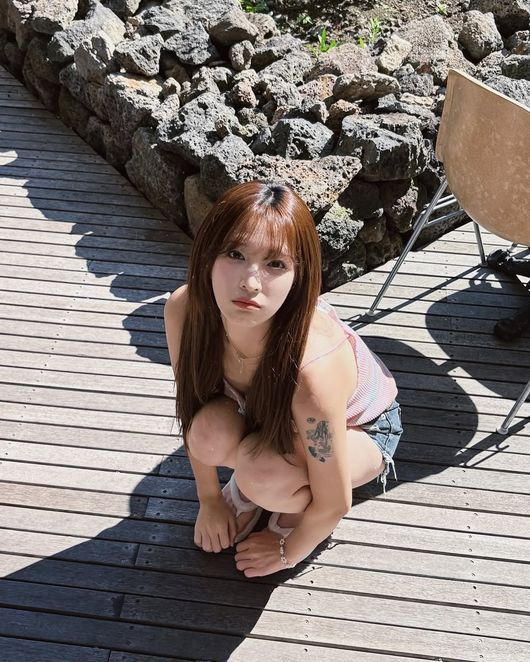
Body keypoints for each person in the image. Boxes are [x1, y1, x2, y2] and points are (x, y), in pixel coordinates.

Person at [164, 180, 402, 578]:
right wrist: (209, 500)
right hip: (265, 411)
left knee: (264, 473)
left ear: (298, 276)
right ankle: (253, 488)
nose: (250, 282)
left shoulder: (311, 369)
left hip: (361, 426)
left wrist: (289, 551)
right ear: (207, 254)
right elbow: (192, 411)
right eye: (235, 254)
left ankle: (287, 507)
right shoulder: (185, 312)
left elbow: (335, 501)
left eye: (275, 264)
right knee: (208, 434)